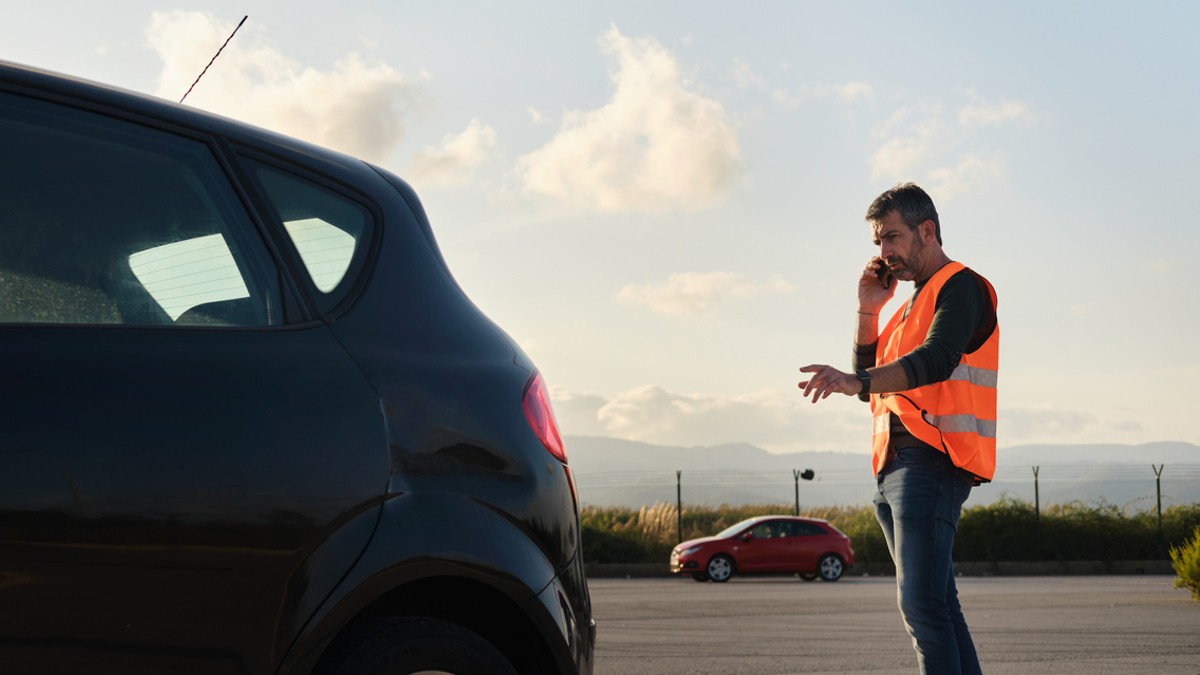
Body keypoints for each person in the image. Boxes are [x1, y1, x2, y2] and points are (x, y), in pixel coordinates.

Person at [797, 183, 998, 675]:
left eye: (892, 237)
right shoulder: (910, 304)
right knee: (938, 607)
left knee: (922, 607)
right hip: (894, 469)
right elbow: (870, 377)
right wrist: (869, 308)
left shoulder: (962, 286)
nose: (884, 252)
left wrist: (854, 380)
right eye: (877, 243)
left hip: (933, 459)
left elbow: (934, 361)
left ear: (926, 232)